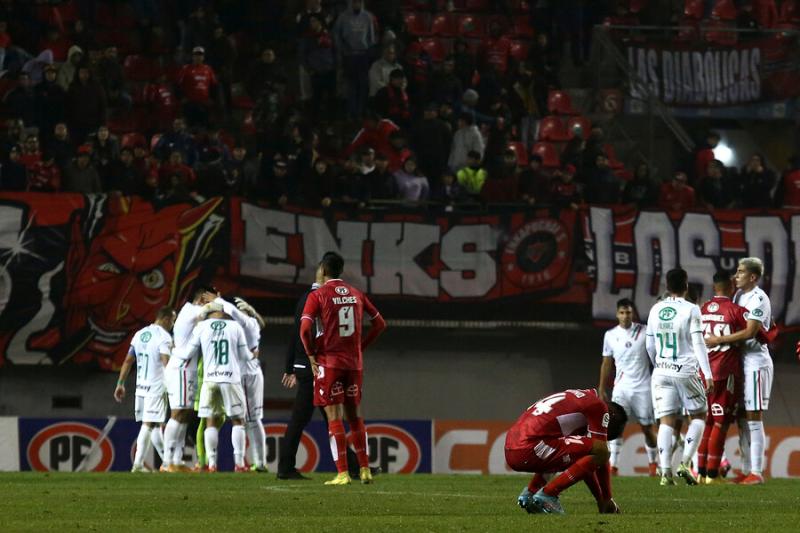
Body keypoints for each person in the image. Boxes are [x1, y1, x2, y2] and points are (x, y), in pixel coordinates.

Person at [300, 252, 387, 485]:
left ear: (323, 271)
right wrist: (361, 346)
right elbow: (380, 323)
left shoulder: (318, 295)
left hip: (329, 363)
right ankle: (365, 469)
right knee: (355, 416)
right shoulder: (356, 293)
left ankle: (343, 473)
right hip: (354, 363)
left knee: (334, 417)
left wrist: (310, 355)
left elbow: (305, 330)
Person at [705, 258, 774, 485]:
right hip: (740, 363)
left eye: (741, 272)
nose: (736, 275)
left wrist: (718, 339)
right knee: (743, 419)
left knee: (754, 416)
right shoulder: (738, 296)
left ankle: (757, 471)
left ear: (753, 277)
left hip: (756, 363)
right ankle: (747, 471)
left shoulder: (758, 298)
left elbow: (750, 332)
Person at [506, 388, 627, 515]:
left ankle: (530, 493)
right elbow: (601, 452)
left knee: (576, 450)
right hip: (530, 447)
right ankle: (549, 494)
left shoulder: (580, 397)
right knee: (601, 450)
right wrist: (606, 498)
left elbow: (585, 462)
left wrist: (600, 499)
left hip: (511, 446)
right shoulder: (599, 408)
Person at [646, 268, 714, 486]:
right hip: (685, 370)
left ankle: (665, 472)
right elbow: (698, 343)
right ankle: (685, 463)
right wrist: (708, 374)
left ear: (667, 287)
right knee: (699, 415)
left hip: (661, 371)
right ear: (686, 286)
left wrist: (659, 362)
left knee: (666, 421)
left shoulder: (656, 309)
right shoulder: (692, 309)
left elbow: (649, 345)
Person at [177, 304, 254, 472]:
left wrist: (174, 353)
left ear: (210, 312)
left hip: (209, 380)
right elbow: (245, 355)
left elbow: (188, 352)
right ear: (224, 312)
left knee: (210, 421)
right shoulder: (235, 326)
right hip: (230, 379)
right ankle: (239, 464)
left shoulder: (202, 326)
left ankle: (211, 464)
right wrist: (253, 354)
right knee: (238, 420)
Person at [697, 271, 753, 484]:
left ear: (714, 287)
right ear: (731, 287)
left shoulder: (702, 310)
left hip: (704, 373)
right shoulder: (735, 310)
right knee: (720, 423)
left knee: (708, 422)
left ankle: (701, 472)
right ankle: (713, 474)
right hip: (724, 373)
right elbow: (754, 329)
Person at [598, 299, 659, 477]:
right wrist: (602, 387)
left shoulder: (645, 332)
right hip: (621, 388)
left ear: (633, 314)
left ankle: (653, 464)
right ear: (617, 314)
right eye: (622, 313)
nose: (625, 316)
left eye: (629, 313)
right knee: (616, 426)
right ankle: (614, 466)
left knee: (647, 428)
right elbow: (606, 363)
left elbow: (655, 357)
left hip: (643, 388)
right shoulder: (610, 335)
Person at [114, 306, 176, 472]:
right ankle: (138, 465)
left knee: (154, 425)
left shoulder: (139, 334)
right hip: (156, 387)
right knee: (149, 424)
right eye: (173, 320)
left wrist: (120, 383)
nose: (173, 324)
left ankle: (166, 463)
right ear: (166, 319)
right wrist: (174, 383)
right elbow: (165, 361)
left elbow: (128, 360)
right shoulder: (164, 337)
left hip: (141, 388)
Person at [162, 286, 217, 471]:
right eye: (208, 300)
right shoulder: (190, 311)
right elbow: (208, 310)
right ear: (202, 299)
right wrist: (217, 301)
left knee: (185, 414)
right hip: (181, 368)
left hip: (186, 368)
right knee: (177, 413)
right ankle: (166, 461)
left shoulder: (191, 312)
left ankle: (176, 461)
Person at [212, 295, 268, 472]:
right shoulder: (252, 323)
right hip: (248, 373)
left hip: (246, 375)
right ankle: (258, 462)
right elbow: (261, 323)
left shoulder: (244, 323)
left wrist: (217, 300)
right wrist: (253, 311)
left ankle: (259, 462)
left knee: (249, 419)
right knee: (251, 419)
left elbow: (233, 311)